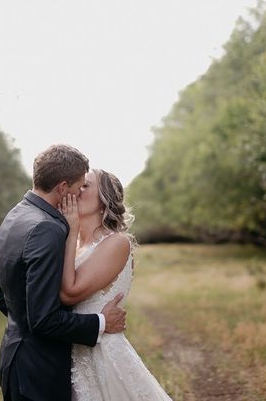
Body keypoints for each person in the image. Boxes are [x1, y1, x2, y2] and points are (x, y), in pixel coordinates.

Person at [0, 145, 127, 401]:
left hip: (14, 357)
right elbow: (44, 319)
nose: (79, 193)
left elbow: (0, 295)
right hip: (39, 367)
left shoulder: (15, 216)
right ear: (63, 187)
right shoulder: (48, 228)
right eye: (79, 186)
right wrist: (101, 322)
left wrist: (24, 326)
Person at [59, 168, 172, 400]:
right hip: (73, 352)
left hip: (102, 355)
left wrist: (70, 233)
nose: (77, 190)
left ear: (104, 200)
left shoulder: (116, 243)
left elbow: (70, 293)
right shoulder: (74, 244)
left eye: (85, 185)